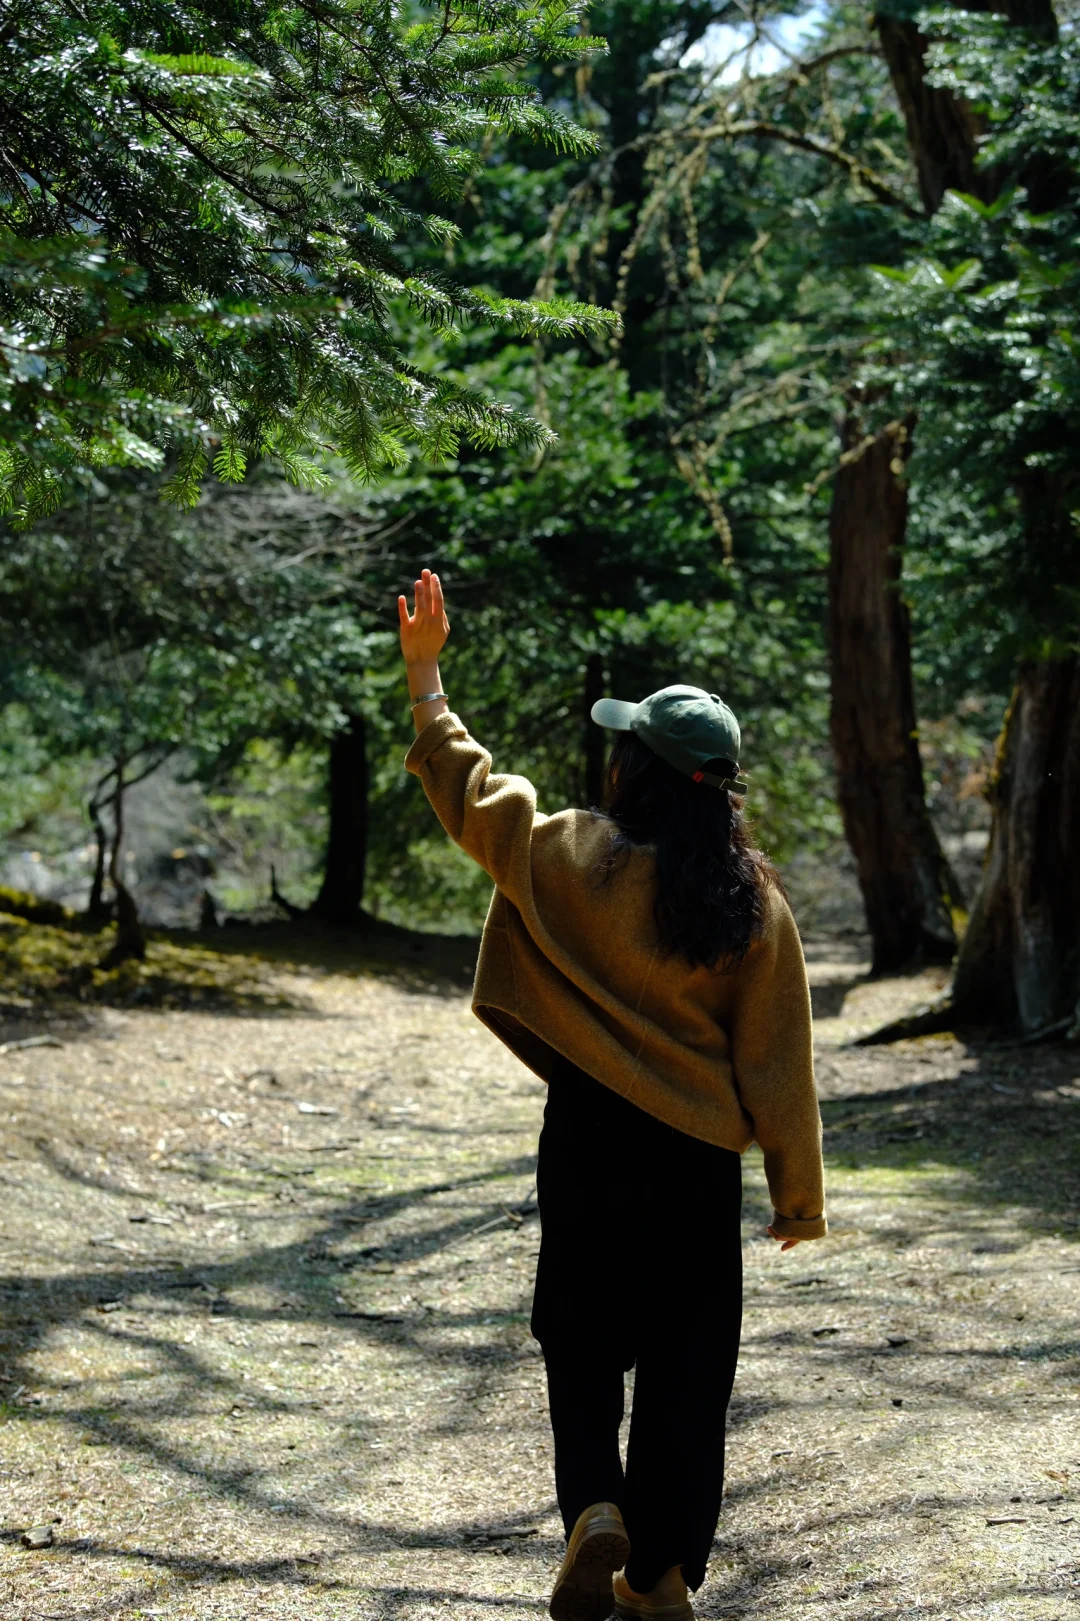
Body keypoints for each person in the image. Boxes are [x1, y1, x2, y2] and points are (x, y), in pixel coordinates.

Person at [398, 570, 827, 1621]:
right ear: (718, 789)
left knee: (581, 1340)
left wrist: (427, 679)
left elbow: (473, 793)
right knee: (688, 1375)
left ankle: (595, 1506)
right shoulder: (749, 903)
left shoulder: (573, 854)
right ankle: (659, 1571)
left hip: (587, 1139)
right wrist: (797, 1197)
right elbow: (780, 1059)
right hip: (692, 1164)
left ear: (632, 767)